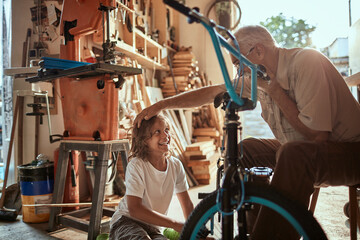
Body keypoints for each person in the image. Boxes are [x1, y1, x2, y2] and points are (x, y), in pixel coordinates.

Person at [134, 25, 360, 239]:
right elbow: (213, 92)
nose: (237, 71)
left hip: (350, 152)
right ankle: (260, 231)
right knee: (244, 151)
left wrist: (274, 91)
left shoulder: (306, 62)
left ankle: (269, 237)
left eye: (237, 64)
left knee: (292, 155)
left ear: (258, 51)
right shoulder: (259, 78)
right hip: (303, 150)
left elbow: (317, 136)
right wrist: (161, 105)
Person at [110, 114, 194, 240]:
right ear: (144, 140)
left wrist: (195, 231)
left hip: (153, 227)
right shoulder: (137, 165)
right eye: (157, 132)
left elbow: (187, 204)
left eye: (166, 130)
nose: (165, 135)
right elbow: (134, 209)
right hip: (126, 221)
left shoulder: (176, 165)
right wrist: (175, 224)